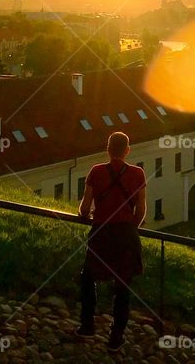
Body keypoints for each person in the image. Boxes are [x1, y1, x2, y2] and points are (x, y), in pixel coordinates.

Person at [77, 131, 147, 352]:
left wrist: (86, 214)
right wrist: (131, 226)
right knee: (123, 286)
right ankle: (116, 337)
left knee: (88, 278)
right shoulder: (138, 174)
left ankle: (87, 325)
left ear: (107, 149)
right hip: (126, 234)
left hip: (101, 232)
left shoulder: (96, 172)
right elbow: (142, 209)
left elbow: (85, 207)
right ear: (127, 150)